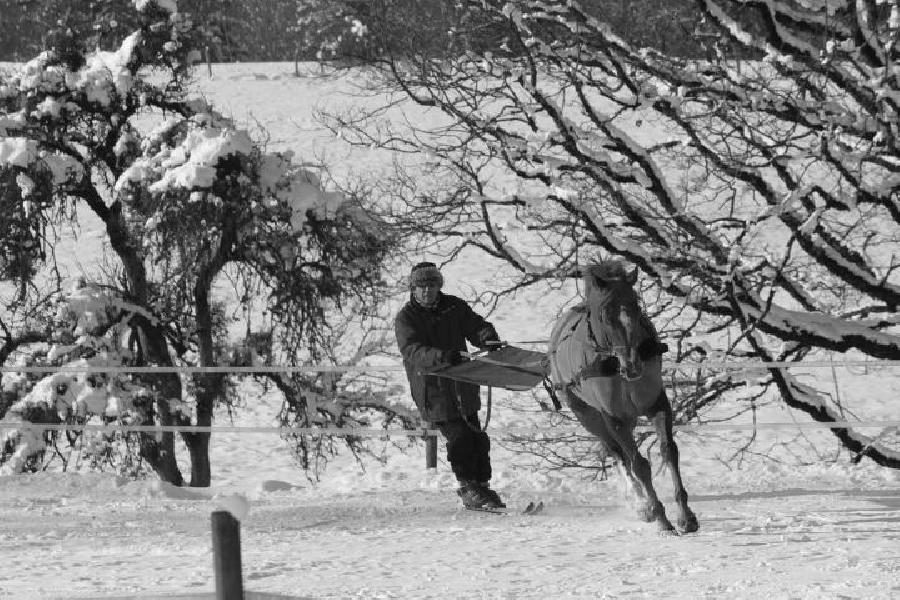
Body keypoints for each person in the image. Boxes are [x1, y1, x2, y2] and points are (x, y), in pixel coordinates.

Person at [394, 261, 506, 509]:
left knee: (478, 437)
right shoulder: (406, 318)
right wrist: (443, 356)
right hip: (433, 389)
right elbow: (413, 351)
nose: (426, 291)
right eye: (421, 286)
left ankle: (483, 487)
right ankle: (468, 487)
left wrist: (488, 338)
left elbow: (476, 326)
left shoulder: (454, 307)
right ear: (413, 289)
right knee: (459, 438)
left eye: (431, 285)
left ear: (438, 286)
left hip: (463, 385)